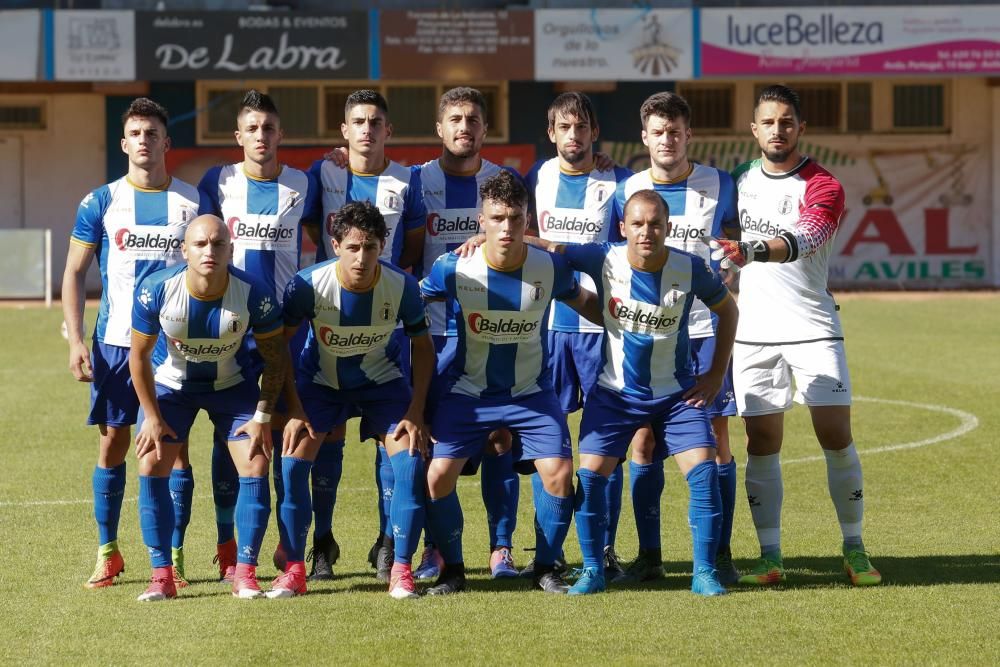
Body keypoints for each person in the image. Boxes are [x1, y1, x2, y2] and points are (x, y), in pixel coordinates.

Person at [513, 190, 738, 596]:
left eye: (655, 223)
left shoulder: (690, 269)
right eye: (637, 223)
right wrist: (488, 239)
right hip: (615, 394)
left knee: (703, 472)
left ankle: (704, 572)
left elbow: (728, 310)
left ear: (668, 228)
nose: (646, 231)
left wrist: (715, 373)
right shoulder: (603, 257)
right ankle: (593, 570)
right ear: (623, 228)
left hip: (676, 395)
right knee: (591, 475)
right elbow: (549, 245)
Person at [711, 84, 881, 586]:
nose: (778, 130)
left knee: (836, 436)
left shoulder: (823, 184)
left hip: (813, 330)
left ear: (801, 129)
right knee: (761, 442)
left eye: (787, 121)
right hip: (754, 333)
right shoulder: (741, 182)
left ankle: (854, 548)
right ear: (754, 129)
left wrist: (752, 251)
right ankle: (770, 558)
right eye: (769, 121)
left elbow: (808, 237)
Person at [419, 170, 598, 595]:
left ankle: (545, 566)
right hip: (468, 394)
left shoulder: (549, 267)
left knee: (558, 473)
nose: (506, 227)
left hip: (531, 393)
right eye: (497, 218)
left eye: (515, 218)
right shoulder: (454, 267)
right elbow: (412, 301)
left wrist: (621, 320)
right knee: (437, 476)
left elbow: (586, 303)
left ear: (527, 220)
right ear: (481, 220)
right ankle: (454, 570)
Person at [62, 97, 201, 589]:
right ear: (124, 143)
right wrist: (76, 339)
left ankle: (175, 555)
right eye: (135, 133)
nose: (143, 140)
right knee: (112, 445)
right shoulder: (100, 201)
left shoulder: (192, 201)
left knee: (172, 449)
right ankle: (109, 551)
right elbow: (75, 273)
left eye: (152, 133)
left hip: (172, 349)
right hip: (115, 345)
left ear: (167, 142)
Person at [612, 92, 742, 585]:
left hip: (705, 331)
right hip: (648, 331)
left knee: (716, 437)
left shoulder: (719, 183)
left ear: (689, 135)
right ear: (644, 137)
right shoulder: (629, 188)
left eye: (676, 131)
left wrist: (732, 268)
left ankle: (721, 552)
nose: (667, 140)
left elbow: (733, 239)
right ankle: (650, 556)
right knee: (643, 439)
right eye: (658, 132)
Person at [278, 200, 433, 599]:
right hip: (320, 384)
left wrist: (416, 411)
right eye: (352, 247)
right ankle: (296, 568)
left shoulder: (402, 286)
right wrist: (294, 408)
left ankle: (401, 569)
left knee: (411, 463)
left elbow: (423, 345)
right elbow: (278, 345)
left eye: (369, 247)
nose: (361, 257)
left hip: (383, 385)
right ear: (334, 245)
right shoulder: (306, 285)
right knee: (293, 465)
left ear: (382, 245)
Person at [129, 215, 287, 601]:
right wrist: (151, 416)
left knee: (255, 462)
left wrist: (263, 416)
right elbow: (138, 357)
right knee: (150, 462)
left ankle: (245, 574)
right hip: (172, 389)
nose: (209, 251)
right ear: (184, 250)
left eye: (218, 244)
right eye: (200, 244)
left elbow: (276, 359)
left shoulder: (254, 292)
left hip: (231, 387)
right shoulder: (156, 289)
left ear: (231, 250)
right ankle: (161, 577)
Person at [198, 90, 321, 582]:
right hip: (232, 331)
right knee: (231, 437)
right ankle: (228, 542)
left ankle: (288, 547)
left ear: (280, 135)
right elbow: (200, 240)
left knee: (291, 436)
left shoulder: (304, 184)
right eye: (252, 129)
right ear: (239, 137)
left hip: (289, 330)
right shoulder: (218, 181)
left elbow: (331, 231)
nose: (261, 137)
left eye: (269, 128)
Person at [308, 89, 426, 582]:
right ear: (345, 130)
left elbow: (413, 247)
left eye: (376, 121)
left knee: (390, 439)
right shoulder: (322, 172)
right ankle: (322, 544)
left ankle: (387, 542)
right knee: (324, 438)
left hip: (385, 326)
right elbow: (313, 231)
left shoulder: (408, 179)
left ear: (388, 130)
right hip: (329, 321)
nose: (367, 129)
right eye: (358, 121)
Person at [523, 91, 632, 579]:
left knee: (604, 444)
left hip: (601, 329)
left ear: (594, 133)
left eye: (582, 127)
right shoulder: (536, 178)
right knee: (543, 443)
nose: (574, 136)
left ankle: (603, 547)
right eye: (565, 127)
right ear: (551, 134)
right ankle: (547, 549)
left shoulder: (620, 180)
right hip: (546, 330)